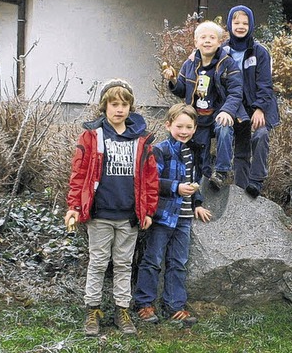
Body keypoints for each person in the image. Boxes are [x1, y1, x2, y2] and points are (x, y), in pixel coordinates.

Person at [64, 79, 159, 337]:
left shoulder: (141, 139)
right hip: (100, 215)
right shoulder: (92, 136)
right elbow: (79, 173)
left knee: (123, 264)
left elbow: (151, 178)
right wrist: (74, 205)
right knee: (97, 262)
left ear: (131, 108)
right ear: (104, 107)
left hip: (128, 215)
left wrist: (148, 210)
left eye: (124, 105)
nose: (119, 109)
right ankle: (92, 310)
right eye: (114, 104)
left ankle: (121, 309)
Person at [133, 103, 212, 326]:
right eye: (179, 126)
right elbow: (151, 181)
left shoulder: (196, 151)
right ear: (168, 125)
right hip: (163, 216)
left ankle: (174, 305)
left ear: (195, 128)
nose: (184, 131)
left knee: (178, 262)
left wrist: (197, 202)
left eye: (189, 126)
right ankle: (144, 303)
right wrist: (175, 187)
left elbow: (195, 181)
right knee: (153, 260)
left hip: (184, 218)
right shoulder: (160, 150)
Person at [163, 20, 246, 189]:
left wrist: (228, 112)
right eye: (203, 37)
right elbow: (182, 90)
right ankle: (204, 183)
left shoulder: (228, 63)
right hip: (198, 117)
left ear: (219, 41)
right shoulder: (190, 64)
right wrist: (172, 80)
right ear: (196, 42)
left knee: (224, 128)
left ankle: (222, 172)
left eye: (212, 37)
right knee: (200, 155)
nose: (207, 41)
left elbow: (236, 91)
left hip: (218, 113)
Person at [223, 5, 280, 198]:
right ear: (229, 24)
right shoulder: (222, 51)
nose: (240, 26)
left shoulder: (260, 52)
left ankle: (256, 181)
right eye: (236, 22)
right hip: (235, 106)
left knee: (261, 135)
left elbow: (265, 84)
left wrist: (259, 109)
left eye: (245, 23)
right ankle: (240, 190)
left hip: (258, 105)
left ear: (251, 25)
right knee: (241, 150)